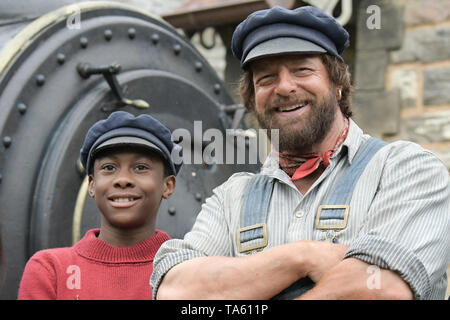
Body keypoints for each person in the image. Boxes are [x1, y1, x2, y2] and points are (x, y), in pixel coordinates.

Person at [150, 5, 450, 300]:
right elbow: (176, 291)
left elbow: (382, 289)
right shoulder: (232, 198)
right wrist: (302, 257)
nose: (284, 87)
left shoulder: (406, 169)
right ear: (253, 100)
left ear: (337, 84)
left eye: (301, 70)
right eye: (266, 78)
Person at [18, 111, 182, 300]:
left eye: (141, 167)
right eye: (109, 168)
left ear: (167, 186)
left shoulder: (187, 270)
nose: (122, 180)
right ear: (92, 185)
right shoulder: (50, 270)